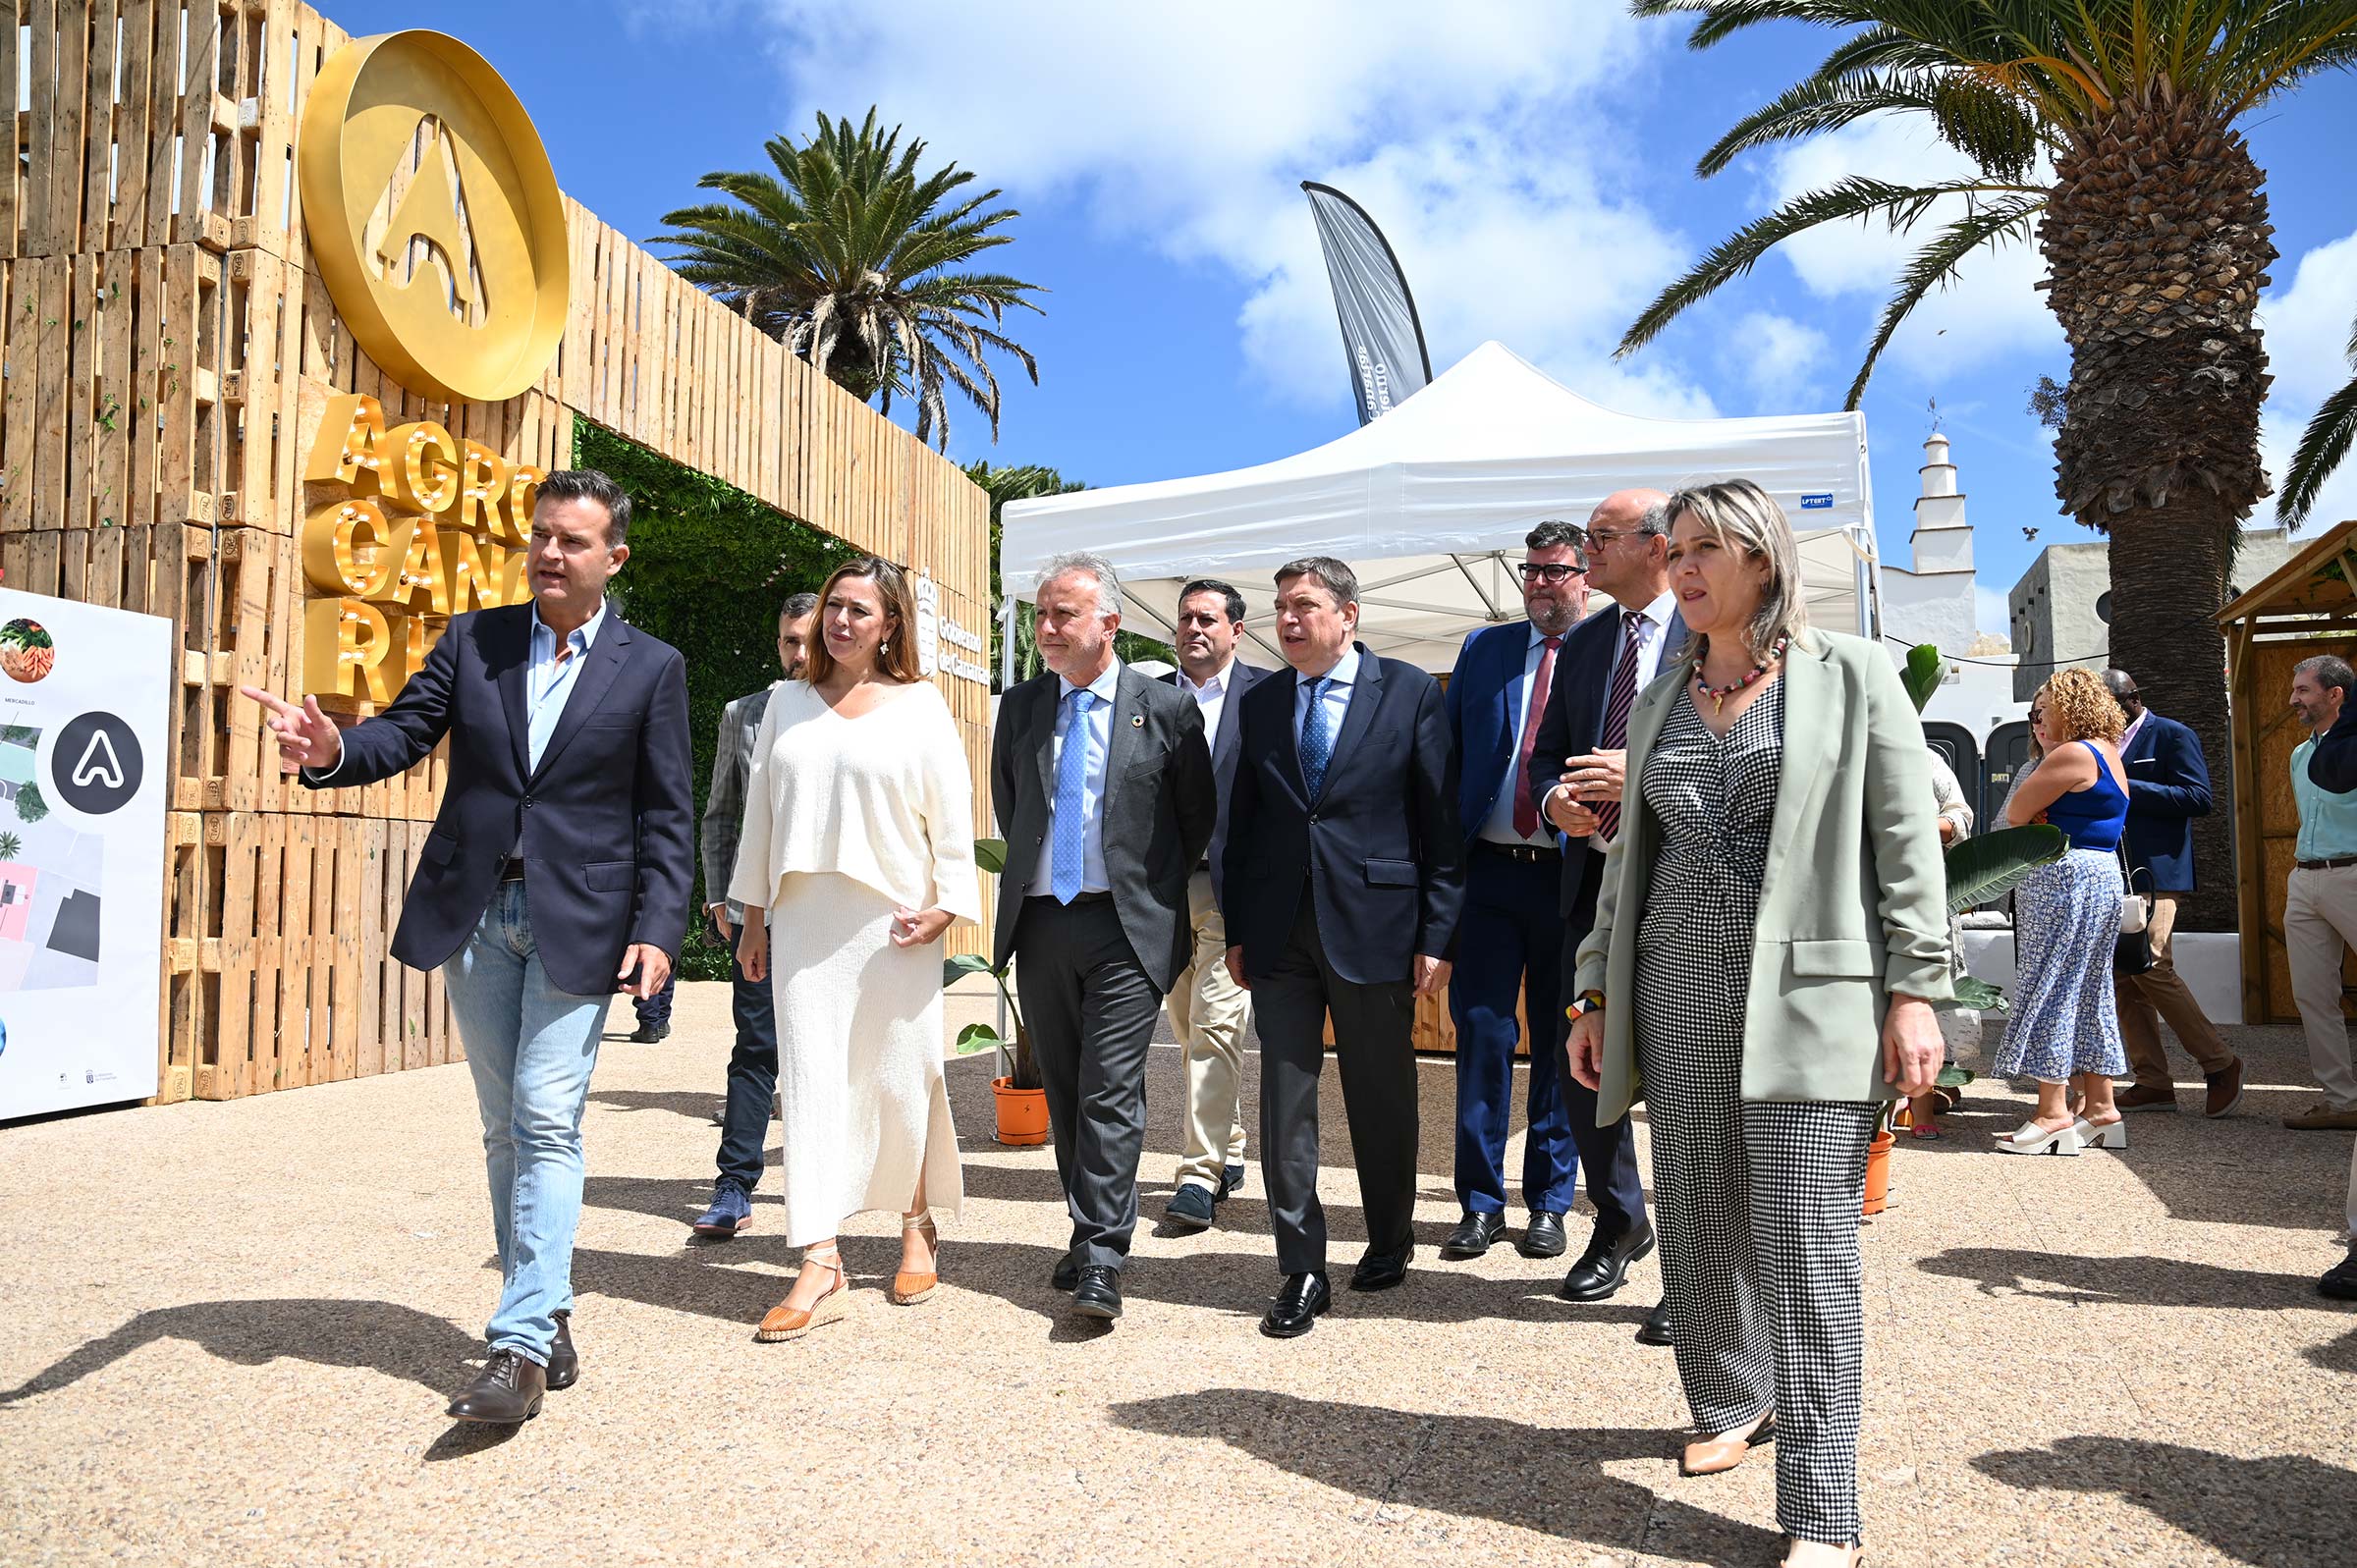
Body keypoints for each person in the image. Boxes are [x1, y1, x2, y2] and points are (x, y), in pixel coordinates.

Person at [243, 469, 694, 1425]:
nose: (548, 554)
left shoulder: (651, 667)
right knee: (504, 1127)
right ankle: (550, 1305)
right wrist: (333, 750)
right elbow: (405, 734)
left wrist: (660, 930)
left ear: (614, 557)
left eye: (572, 541)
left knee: (543, 1116)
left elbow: (667, 812)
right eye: (540, 536)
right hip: (475, 913)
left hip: (581, 917)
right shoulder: (474, 639)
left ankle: (520, 1346)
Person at [1563, 479, 1947, 1567]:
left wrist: (1916, 988)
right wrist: (1596, 990)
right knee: (1694, 1210)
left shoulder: (1852, 675)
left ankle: (1823, 1510)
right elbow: (1630, 862)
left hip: (1815, 994)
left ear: (1763, 563)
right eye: (1671, 548)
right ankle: (1732, 1398)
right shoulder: (1657, 694)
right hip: (1671, 979)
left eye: (1702, 549)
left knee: (1807, 1244)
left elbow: (1905, 844)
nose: (1678, 567)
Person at [728, 557, 981, 1340]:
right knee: (809, 1082)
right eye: (833, 606)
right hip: (805, 918)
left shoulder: (921, 705)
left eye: (858, 611)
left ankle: (915, 1220)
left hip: (895, 921)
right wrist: (755, 918)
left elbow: (953, 813)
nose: (839, 621)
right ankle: (821, 1256)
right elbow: (760, 818)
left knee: (901, 1072)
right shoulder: (784, 703)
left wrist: (948, 906)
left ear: (890, 625)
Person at [1223, 556, 1463, 1338]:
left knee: (1381, 1094)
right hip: (1279, 931)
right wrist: (1237, 929)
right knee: (1284, 1103)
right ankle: (1300, 1267)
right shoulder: (1259, 702)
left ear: (1348, 614)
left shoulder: (1408, 691)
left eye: (1305, 605)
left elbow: (1442, 825)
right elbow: (1246, 823)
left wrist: (1436, 931)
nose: (1288, 620)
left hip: (1376, 925)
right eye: (1280, 607)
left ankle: (1391, 1237)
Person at [992, 553, 1216, 1325]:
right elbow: (1011, 804)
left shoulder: (1165, 706)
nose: (1046, 628)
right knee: (1062, 1083)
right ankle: (1088, 1225)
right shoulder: (1022, 707)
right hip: (1044, 921)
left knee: (1109, 1087)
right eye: (1042, 614)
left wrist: (1143, 889)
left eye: (1064, 615)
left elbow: (1194, 819)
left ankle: (1103, 1254)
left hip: (1127, 924)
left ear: (1108, 625)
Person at [1526, 487, 1682, 1345]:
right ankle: (1621, 1219)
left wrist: (1643, 779)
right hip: (1591, 888)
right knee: (1585, 1058)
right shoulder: (1584, 645)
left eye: (1601, 536)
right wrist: (1558, 802)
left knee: (1692, 1074)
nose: (1586, 550)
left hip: (1693, 886)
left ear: (1656, 546)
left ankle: (1699, 1266)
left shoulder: (1715, 635)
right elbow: (1547, 756)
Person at [1439, 520, 1590, 1263]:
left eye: (1555, 571)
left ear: (1584, 577)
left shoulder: (1603, 654)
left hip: (1569, 877)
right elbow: (1449, 758)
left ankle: (1551, 1203)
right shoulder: (1483, 649)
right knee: (1485, 1038)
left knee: (1562, 1045)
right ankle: (1478, 1201)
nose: (1538, 582)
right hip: (1489, 875)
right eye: (1531, 570)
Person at [687, 591, 817, 1238]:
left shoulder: (855, 708)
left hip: (830, 914)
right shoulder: (744, 713)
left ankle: (833, 1191)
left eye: (808, 638)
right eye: (789, 641)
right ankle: (734, 1184)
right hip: (756, 914)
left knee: (831, 1052)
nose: (799, 653)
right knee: (757, 1044)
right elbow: (719, 814)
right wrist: (719, 896)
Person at [1158, 579, 1275, 1231]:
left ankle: (1199, 1174)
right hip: (1163, 889)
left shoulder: (1266, 698)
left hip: (1235, 891)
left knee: (1218, 1024)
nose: (1194, 627)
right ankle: (1228, 1148)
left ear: (1236, 629)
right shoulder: (1150, 697)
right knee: (1183, 1023)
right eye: (1185, 618)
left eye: (1207, 618)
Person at [1991, 669, 2132, 1155]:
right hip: (2100, 873)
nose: (2037, 720)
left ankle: (2052, 1114)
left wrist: (2035, 809)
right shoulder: (2109, 752)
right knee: (2089, 990)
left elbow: (2014, 815)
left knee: (2050, 984)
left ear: (2069, 708)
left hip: (2062, 875)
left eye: (2044, 710)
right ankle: (2100, 1109)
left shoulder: (2072, 753)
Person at [2102, 669, 2245, 1118]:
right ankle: (2152, 1083)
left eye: (2109, 708)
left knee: (2152, 965)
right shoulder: (2102, 745)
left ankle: (2221, 1064)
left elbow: (2198, 797)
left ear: (2132, 698)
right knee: (2125, 977)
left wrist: (2126, 785)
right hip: (2114, 872)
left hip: (2158, 874)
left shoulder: (2171, 735)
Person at [2282, 656, 2357, 1131]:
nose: (2294, 700)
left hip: (2352, 875)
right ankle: (2341, 1102)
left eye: (2304, 691)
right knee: (2312, 994)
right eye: (2294, 690)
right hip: (2303, 878)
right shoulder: (2298, 754)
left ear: (2335, 695)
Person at [1907, 751, 1976, 1140]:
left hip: (1923, 892)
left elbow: (1959, 816)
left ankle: (1923, 1099)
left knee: (1923, 995)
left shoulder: (1925, 759)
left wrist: (1916, 825)